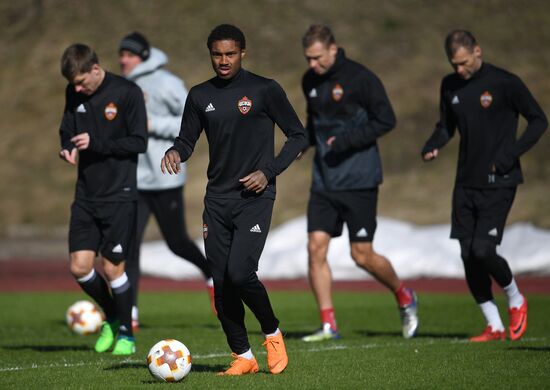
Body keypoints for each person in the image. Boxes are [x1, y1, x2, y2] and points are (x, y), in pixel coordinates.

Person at [161, 24, 307, 376]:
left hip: (254, 197)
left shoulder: (264, 89)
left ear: (243, 52)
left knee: (241, 273)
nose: (223, 61)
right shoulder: (199, 95)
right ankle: (243, 355)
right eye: (217, 54)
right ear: (210, 54)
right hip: (217, 200)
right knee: (222, 281)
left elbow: (298, 136)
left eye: (230, 54)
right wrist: (175, 152)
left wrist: (268, 171)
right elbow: (186, 140)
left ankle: (272, 332)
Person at [422, 30, 547, 342]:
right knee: (467, 254)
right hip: (465, 182)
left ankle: (516, 298)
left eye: (464, 63)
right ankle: (494, 325)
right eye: (454, 64)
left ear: (477, 51)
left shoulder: (505, 83)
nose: (459, 70)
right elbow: (446, 126)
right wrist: (434, 144)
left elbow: (538, 120)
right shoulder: (450, 85)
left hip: (499, 181)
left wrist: (510, 155)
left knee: (482, 249)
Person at [300, 24, 419, 342]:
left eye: (317, 58)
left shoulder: (361, 79)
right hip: (324, 180)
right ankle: (329, 324)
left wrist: (347, 141)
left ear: (333, 49)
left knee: (361, 254)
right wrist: (300, 143)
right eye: (308, 59)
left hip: (359, 179)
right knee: (315, 248)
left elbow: (386, 119)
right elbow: (314, 125)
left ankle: (404, 294)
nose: (312, 65)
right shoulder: (309, 80)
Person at [118, 32, 214, 330]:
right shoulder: (122, 86)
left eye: (130, 54)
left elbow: (191, 120)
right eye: (121, 54)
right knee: (128, 245)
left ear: (144, 56)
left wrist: (150, 125)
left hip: (164, 178)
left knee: (177, 242)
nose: (124, 59)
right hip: (135, 179)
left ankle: (211, 273)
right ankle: (129, 313)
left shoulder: (166, 82)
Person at [58, 43, 148, 354]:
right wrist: (67, 145)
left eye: (82, 82)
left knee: (112, 270)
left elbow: (139, 142)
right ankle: (112, 316)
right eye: (74, 85)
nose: (78, 89)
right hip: (85, 195)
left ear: (96, 69)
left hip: (119, 196)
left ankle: (126, 333)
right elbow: (67, 127)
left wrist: (96, 143)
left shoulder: (128, 92)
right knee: (80, 267)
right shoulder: (75, 93)